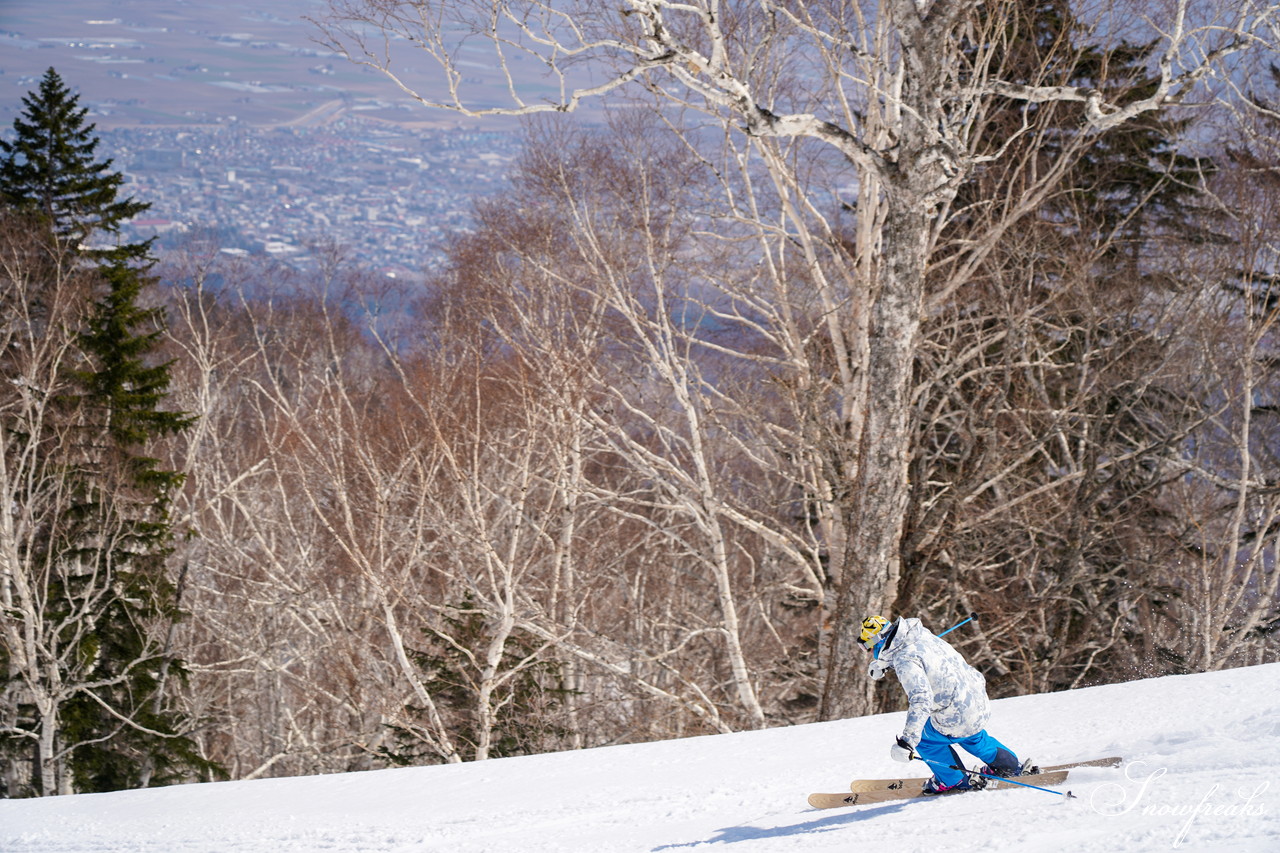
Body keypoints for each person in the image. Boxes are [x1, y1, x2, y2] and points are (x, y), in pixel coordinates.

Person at [860, 615, 1028, 794]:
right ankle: (1009, 765)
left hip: (955, 715)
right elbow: (926, 661)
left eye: (867, 646)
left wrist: (908, 741)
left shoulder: (905, 660)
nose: (869, 651)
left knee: (925, 740)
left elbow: (921, 698)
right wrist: (886, 664)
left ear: (878, 641)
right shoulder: (921, 635)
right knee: (972, 736)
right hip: (977, 704)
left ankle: (953, 780)